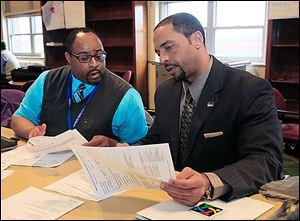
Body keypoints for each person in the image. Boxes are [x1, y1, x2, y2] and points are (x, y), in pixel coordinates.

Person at [110, 13, 283, 206]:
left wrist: (209, 182)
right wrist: (122, 150)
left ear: (197, 39)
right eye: (159, 52)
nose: (164, 59)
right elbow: (157, 140)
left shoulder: (249, 89)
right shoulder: (165, 92)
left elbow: (267, 161)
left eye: (169, 47)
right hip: (171, 202)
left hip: (227, 204)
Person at [11, 28, 148, 146]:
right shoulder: (47, 80)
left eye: (99, 56)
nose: (94, 63)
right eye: (84, 58)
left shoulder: (127, 96)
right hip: (51, 167)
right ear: (68, 58)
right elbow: (18, 119)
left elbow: (141, 146)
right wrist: (31, 131)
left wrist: (113, 144)